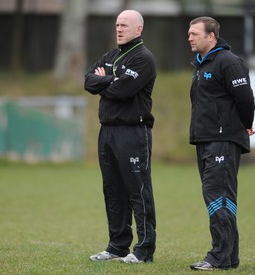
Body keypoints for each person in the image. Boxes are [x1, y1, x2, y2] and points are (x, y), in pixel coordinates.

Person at [84, 10, 157, 264]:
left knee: (138, 190)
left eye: (124, 25)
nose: (119, 28)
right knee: (112, 190)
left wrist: (107, 81)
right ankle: (117, 246)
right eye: (117, 24)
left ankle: (144, 250)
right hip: (107, 132)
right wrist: (110, 81)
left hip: (132, 132)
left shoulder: (143, 58)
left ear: (139, 29)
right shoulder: (111, 55)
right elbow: (88, 81)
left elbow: (121, 90)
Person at [187, 16, 255, 271]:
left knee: (220, 197)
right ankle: (229, 257)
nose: (190, 37)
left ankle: (218, 256)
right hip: (206, 140)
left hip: (222, 140)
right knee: (215, 197)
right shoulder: (201, 64)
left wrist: (245, 124)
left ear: (211, 36)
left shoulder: (228, 61)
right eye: (189, 33)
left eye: (194, 33)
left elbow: (246, 99)